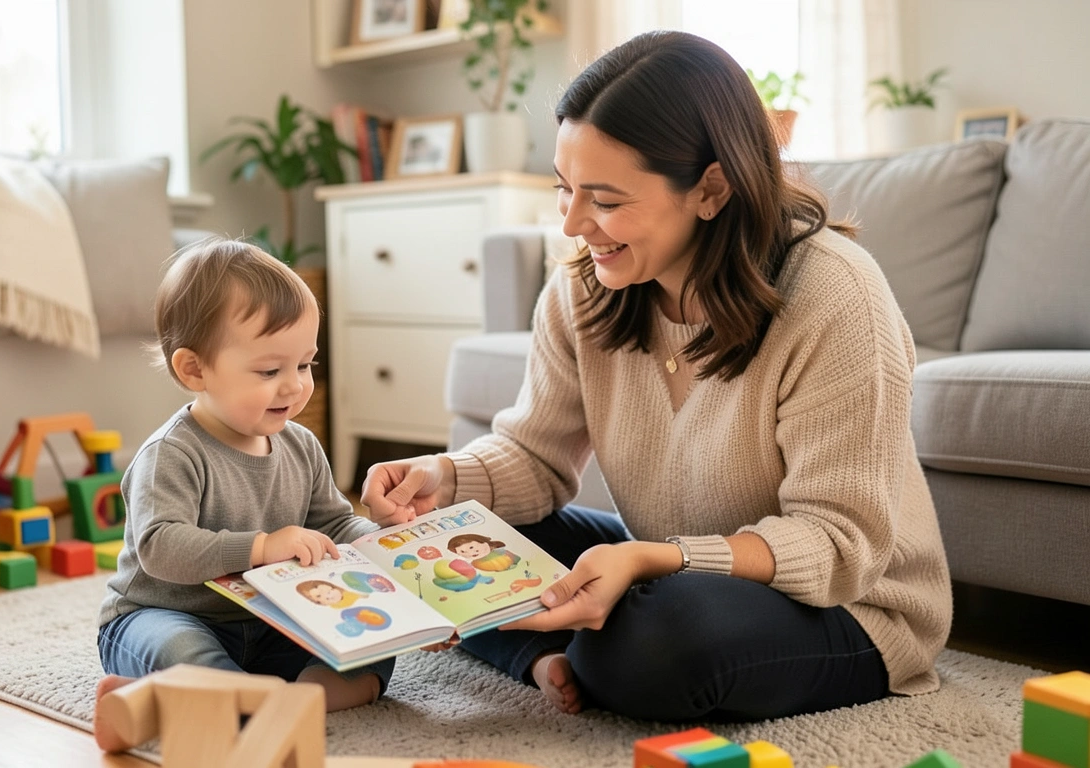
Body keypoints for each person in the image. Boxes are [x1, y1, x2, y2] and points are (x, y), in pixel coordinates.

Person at [361, 30, 951, 722]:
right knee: (439, 544)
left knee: (658, 643)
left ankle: (565, 643)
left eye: (605, 201)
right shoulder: (584, 289)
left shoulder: (834, 294)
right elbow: (534, 458)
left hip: (848, 605)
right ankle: (546, 657)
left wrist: (654, 563)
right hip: (665, 564)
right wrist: (446, 479)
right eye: (564, 189)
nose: (576, 223)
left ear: (711, 188)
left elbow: (839, 545)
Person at [94, 238, 391, 750]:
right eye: (270, 371)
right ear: (194, 370)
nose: (295, 386)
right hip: (164, 613)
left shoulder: (300, 445)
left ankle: (267, 697)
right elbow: (161, 547)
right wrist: (260, 547)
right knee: (181, 647)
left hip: (270, 617)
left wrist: (385, 542)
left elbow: (335, 524)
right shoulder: (172, 454)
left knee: (376, 638)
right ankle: (205, 694)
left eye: (305, 365)